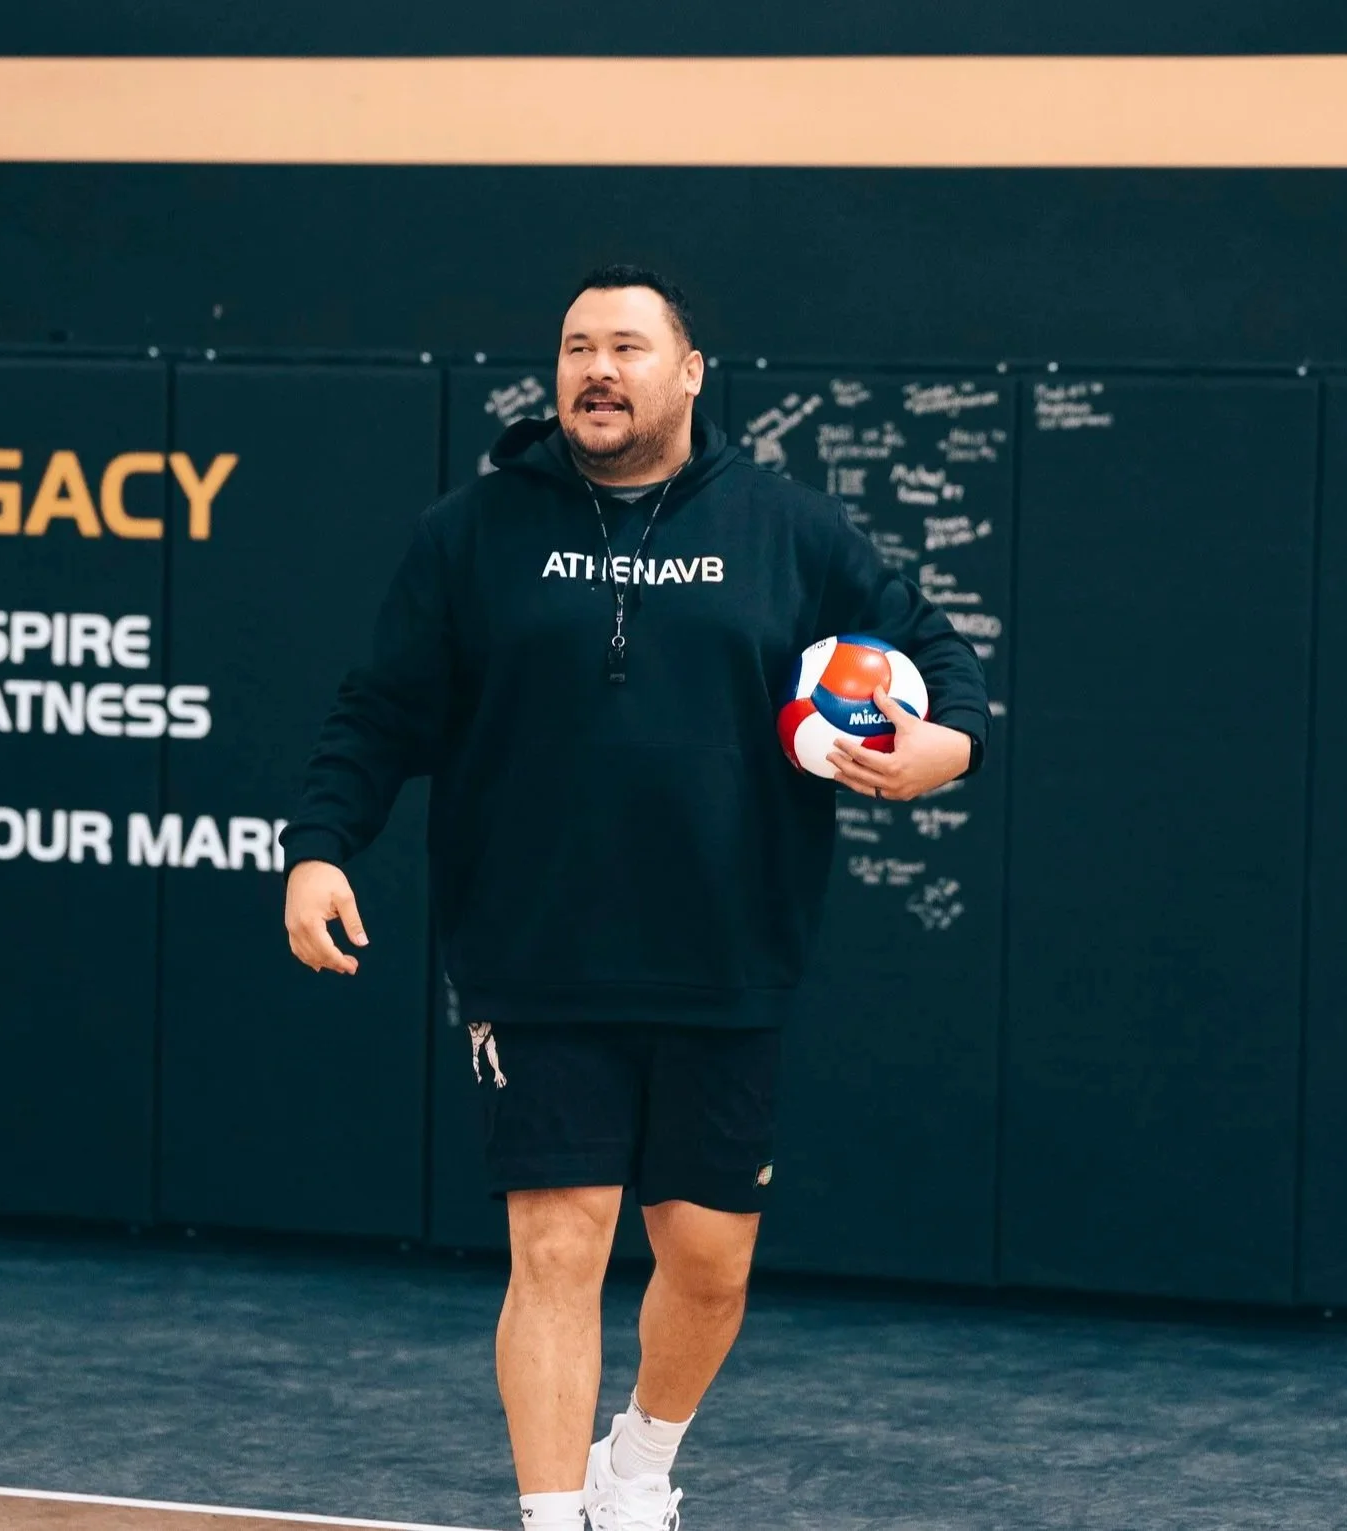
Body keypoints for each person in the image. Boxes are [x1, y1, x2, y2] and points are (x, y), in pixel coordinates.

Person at [280, 266, 988, 1531]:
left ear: (689, 372)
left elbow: (942, 662)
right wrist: (322, 845)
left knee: (707, 1267)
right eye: (574, 348)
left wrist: (945, 748)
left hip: (726, 951)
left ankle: (638, 1465)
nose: (596, 370)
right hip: (534, 949)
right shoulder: (469, 533)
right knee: (557, 1246)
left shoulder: (790, 530)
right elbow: (377, 712)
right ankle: (557, 1517)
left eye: (626, 347)